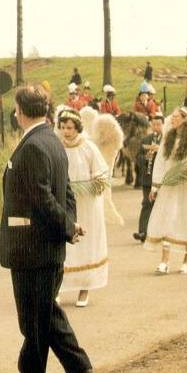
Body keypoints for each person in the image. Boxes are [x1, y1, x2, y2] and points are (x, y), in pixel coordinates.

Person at [0, 85, 93, 373]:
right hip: (43, 244)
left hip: (33, 246)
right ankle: (78, 367)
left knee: (33, 318)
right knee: (44, 314)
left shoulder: (35, 146)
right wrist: (70, 224)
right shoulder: (51, 140)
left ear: (21, 112)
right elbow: (65, 192)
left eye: (16, 109)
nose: (14, 113)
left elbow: (43, 197)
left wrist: (68, 226)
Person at [145, 107, 187, 274]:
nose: (172, 120)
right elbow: (161, 162)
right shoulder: (168, 137)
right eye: (172, 117)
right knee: (168, 218)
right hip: (171, 186)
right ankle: (164, 261)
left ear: (185, 119)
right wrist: (156, 185)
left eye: (176, 117)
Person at [55, 109, 109, 308]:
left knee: (86, 244)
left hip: (87, 204)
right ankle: (59, 286)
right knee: (65, 243)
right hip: (66, 202)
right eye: (62, 127)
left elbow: (102, 173)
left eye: (69, 128)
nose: (65, 131)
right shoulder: (57, 147)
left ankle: (84, 289)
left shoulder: (88, 147)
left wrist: (92, 184)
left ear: (77, 128)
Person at [133, 112, 164, 242]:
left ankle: (161, 232)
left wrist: (160, 150)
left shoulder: (167, 140)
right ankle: (143, 232)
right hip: (148, 177)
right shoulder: (146, 140)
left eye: (158, 124)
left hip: (162, 179)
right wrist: (146, 158)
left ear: (163, 125)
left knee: (162, 204)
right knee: (147, 203)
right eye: (154, 124)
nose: (156, 127)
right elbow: (138, 158)